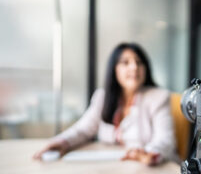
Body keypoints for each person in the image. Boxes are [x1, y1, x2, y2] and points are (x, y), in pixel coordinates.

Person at [33, 43, 176, 165]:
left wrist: (148, 153)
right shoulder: (102, 97)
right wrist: (62, 141)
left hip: (152, 167)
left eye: (139, 62)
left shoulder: (159, 97)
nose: (134, 67)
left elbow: (165, 140)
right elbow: (83, 130)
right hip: (117, 167)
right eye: (125, 62)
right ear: (114, 69)